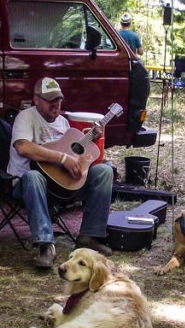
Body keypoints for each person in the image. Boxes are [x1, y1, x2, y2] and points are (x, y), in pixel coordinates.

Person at [8, 77, 115, 269]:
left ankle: (89, 237)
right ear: (36, 99)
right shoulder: (26, 117)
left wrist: (89, 145)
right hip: (28, 186)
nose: (56, 104)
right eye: (50, 100)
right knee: (33, 177)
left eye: (58, 99)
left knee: (104, 171)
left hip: (61, 186)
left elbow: (73, 155)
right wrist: (62, 158)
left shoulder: (64, 123)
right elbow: (23, 147)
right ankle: (46, 246)